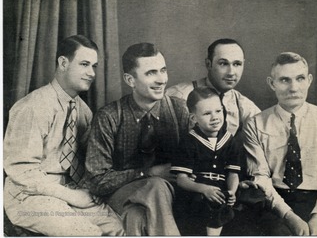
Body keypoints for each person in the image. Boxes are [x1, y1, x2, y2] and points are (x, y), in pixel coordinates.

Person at [4, 35, 125, 236]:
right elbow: (20, 170)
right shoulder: (33, 106)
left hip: (68, 190)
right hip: (28, 195)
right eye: (85, 64)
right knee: (86, 233)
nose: (91, 73)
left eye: (94, 66)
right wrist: (71, 196)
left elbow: (88, 159)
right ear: (63, 63)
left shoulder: (83, 111)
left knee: (116, 227)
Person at [85, 43, 189, 235]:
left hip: (172, 193)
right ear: (130, 80)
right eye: (151, 73)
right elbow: (96, 181)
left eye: (163, 70)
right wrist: (147, 173)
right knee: (156, 185)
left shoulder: (179, 110)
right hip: (122, 194)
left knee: (136, 216)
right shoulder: (109, 117)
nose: (161, 80)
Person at [243, 52, 317, 235]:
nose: (294, 88)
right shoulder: (255, 123)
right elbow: (260, 178)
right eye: (284, 80)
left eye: (299, 78)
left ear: (309, 80)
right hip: (273, 201)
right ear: (271, 83)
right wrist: (289, 217)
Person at [171, 87, 242, 235]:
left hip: (222, 189)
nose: (215, 117)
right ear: (193, 118)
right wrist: (204, 189)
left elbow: (233, 173)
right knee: (207, 204)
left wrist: (232, 192)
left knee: (252, 200)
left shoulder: (230, 140)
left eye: (218, 111)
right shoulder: (189, 141)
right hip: (197, 191)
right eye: (207, 113)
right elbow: (181, 180)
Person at [166, 38, 260, 137]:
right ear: (208, 64)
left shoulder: (243, 104)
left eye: (237, 64)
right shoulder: (179, 96)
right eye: (223, 63)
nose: (231, 72)